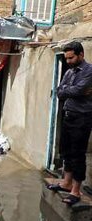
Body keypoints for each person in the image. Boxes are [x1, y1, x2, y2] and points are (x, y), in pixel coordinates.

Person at [47, 41, 92, 205]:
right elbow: (59, 91)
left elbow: (80, 90)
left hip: (82, 117)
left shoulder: (89, 71)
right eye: (66, 58)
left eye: (71, 58)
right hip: (68, 115)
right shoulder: (69, 72)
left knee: (77, 154)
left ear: (81, 55)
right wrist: (71, 91)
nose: (68, 62)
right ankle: (66, 183)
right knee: (66, 151)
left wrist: (72, 91)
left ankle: (76, 191)